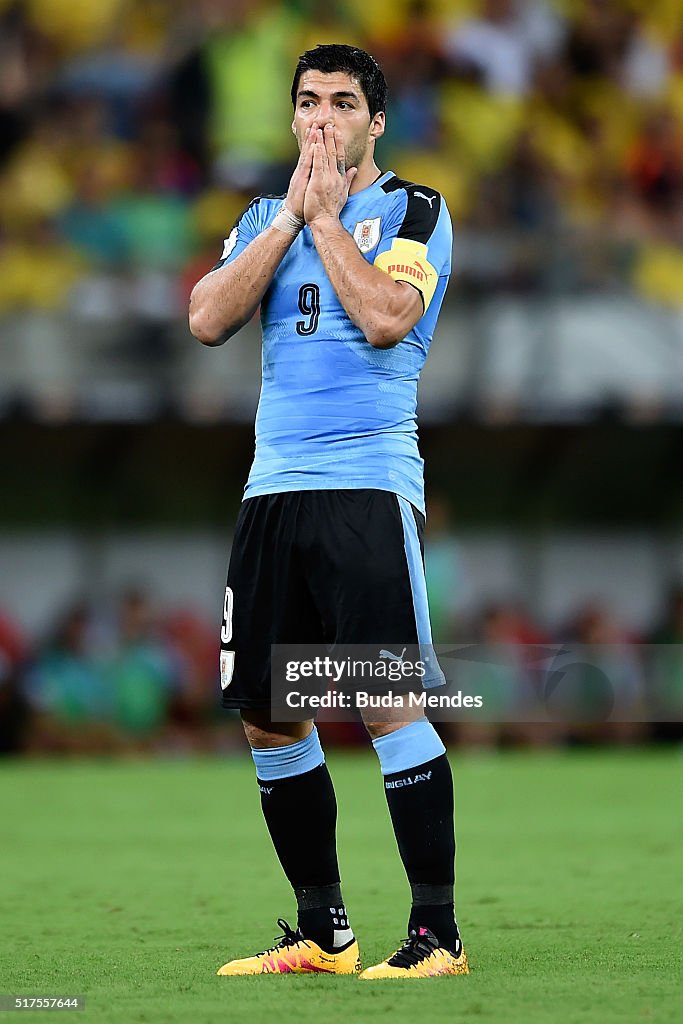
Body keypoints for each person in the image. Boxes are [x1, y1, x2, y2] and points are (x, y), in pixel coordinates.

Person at [189, 43, 467, 981]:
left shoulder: (414, 211)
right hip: (272, 491)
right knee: (270, 718)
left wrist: (329, 224)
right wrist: (290, 225)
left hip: (364, 485)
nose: (321, 119)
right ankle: (323, 930)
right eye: (307, 102)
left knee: (386, 702)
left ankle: (437, 935)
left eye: (342, 103)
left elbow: (388, 316)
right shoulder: (262, 217)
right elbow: (207, 318)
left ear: (374, 121)